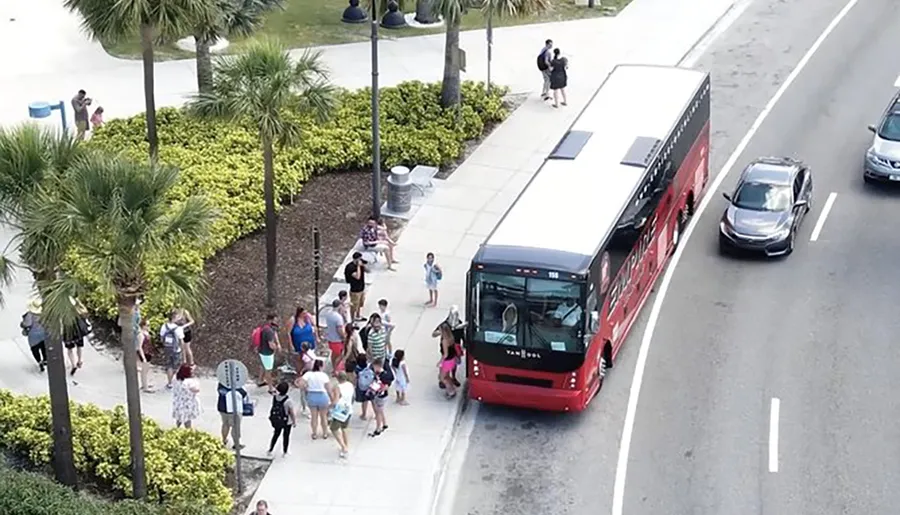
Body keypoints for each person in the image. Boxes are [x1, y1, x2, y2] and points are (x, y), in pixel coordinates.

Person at [299, 359, 331, 440]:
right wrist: (332, 398)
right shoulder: (324, 376)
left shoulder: (308, 374)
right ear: (321, 366)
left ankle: (314, 433)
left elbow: (301, 384)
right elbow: (328, 389)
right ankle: (325, 433)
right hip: (322, 396)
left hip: (312, 396)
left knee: (314, 417)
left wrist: (306, 388)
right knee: (323, 416)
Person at [328, 371, 354, 458]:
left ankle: (343, 447)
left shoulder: (338, 387)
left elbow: (335, 401)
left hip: (340, 410)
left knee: (334, 429)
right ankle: (346, 444)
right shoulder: (350, 385)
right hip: (348, 408)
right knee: (344, 428)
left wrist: (330, 406)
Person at [217, 382, 250, 450]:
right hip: (233, 407)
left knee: (225, 424)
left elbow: (220, 391)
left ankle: (224, 440)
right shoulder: (237, 382)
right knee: (235, 426)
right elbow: (242, 393)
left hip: (222, 406)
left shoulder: (221, 381)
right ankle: (236, 444)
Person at [63, 297, 91, 376]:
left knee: (69, 349)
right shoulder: (77, 307)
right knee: (79, 346)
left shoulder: (63, 309)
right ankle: (79, 360)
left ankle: (73, 365)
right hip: (78, 329)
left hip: (68, 330)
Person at [267, 381, 296, 456]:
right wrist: (294, 421)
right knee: (286, 436)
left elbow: (272, 392)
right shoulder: (288, 401)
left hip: (277, 420)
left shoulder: (275, 397)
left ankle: (270, 449)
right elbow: (291, 412)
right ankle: (285, 451)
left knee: (276, 434)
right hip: (287, 421)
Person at [367, 357, 393, 437]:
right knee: (381, 411)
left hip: (381, 396)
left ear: (378, 366)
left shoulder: (383, 376)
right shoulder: (382, 374)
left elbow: (386, 386)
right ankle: (384, 424)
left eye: (374, 367)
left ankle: (378, 428)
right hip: (381, 396)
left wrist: (377, 388)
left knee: (377, 412)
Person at [159, 310, 185, 389]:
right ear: (174, 318)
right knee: (176, 366)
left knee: (169, 366)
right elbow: (181, 341)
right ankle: (175, 381)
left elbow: (161, 338)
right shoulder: (178, 328)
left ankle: (170, 383)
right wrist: (183, 351)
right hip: (176, 349)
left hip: (167, 349)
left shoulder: (164, 326)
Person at [20, 298, 47, 372]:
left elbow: (27, 324)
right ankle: (45, 359)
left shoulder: (30, 314)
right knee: (43, 347)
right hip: (43, 333)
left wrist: (22, 324)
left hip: (33, 335)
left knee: (34, 349)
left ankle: (39, 361)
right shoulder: (43, 313)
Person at [434, 322, 459, 398]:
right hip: (452, 360)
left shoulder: (444, 340)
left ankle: (451, 391)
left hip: (447, 361)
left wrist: (440, 362)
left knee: (442, 378)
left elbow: (445, 354)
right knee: (447, 376)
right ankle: (452, 388)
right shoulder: (451, 337)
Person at [256, 314, 280, 393]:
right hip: (267, 353)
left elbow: (275, 333)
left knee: (263, 366)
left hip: (262, 351)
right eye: (275, 320)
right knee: (268, 370)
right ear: (270, 320)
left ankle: (260, 381)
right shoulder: (269, 331)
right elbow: (271, 345)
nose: (277, 321)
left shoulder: (265, 327)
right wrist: (277, 347)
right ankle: (271, 388)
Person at [172, 364, 201, 428]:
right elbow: (197, 390)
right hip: (187, 403)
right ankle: (188, 432)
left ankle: (177, 428)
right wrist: (196, 380)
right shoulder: (189, 382)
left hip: (178, 402)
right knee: (187, 419)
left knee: (179, 417)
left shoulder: (175, 378)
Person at [343, 252, 368, 321]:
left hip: (361, 288)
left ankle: (358, 315)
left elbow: (368, 270)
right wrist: (358, 266)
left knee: (360, 304)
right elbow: (357, 276)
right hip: (355, 290)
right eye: (359, 259)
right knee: (354, 306)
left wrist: (363, 265)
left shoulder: (360, 266)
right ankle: (352, 319)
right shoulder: (350, 267)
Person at [322, 300, 345, 371]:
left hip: (330, 338)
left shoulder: (329, 314)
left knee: (334, 354)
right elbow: (339, 330)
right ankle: (335, 368)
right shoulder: (338, 317)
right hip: (337, 339)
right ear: (339, 306)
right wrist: (343, 337)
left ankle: (334, 366)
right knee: (340, 355)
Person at [136, 319, 155, 393]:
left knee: (146, 370)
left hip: (148, 352)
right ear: (143, 326)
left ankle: (145, 384)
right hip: (144, 353)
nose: (148, 327)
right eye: (147, 325)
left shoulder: (146, 333)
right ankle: (145, 387)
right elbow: (140, 347)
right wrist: (143, 357)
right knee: (144, 371)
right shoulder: (141, 335)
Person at [353, 354, 372, 420]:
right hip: (368, 385)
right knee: (366, 400)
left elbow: (355, 378)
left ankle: (363, 414)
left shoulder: (357, 369)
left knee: (363, 400)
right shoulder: (368, 367)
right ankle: (365, 414)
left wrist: (354, 385)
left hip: (360, 386)